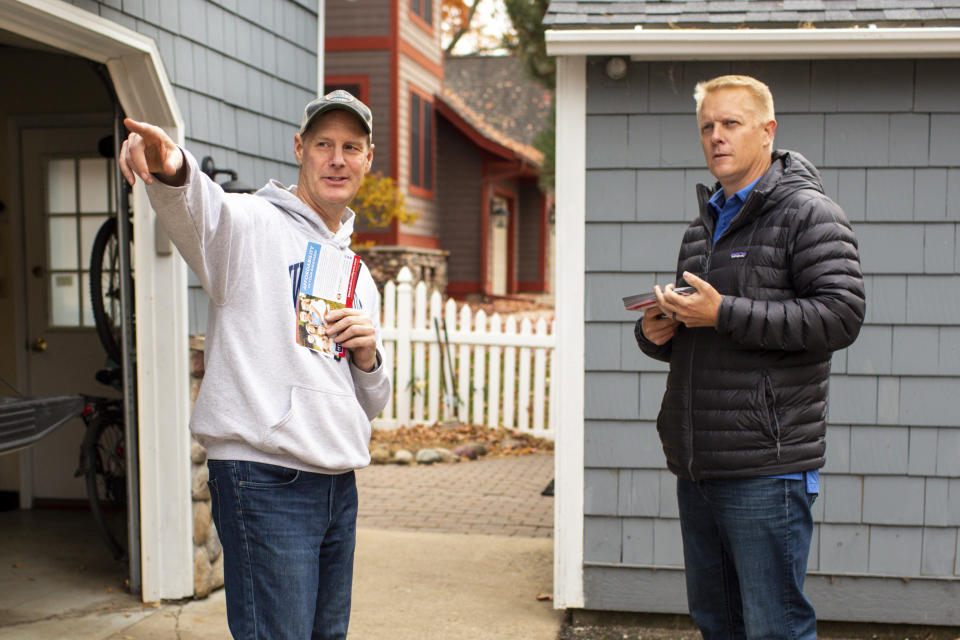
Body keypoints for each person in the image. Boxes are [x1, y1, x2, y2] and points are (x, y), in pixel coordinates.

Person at [118, 89, 391, 640]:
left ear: (367, 159)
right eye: (323, 144)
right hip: (266, 481)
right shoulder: (252, 225)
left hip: (337, 484)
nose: (337, 159)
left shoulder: (358, 274)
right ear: (299, 149)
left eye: (351, 147)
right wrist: (174, 167)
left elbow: (372, 402)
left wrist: (369, 358)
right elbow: (201, 210)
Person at [634, 75, 865, 640]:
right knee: (720, 623)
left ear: (768, 131)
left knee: (773, 628)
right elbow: (708, 335)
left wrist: (723, 314)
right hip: (699, 461)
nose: (717, 137)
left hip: (767, 465)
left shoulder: (810, 214)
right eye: (707, 126)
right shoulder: (702, 228)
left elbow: (840, 316)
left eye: (731, 124)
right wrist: (658, 331)